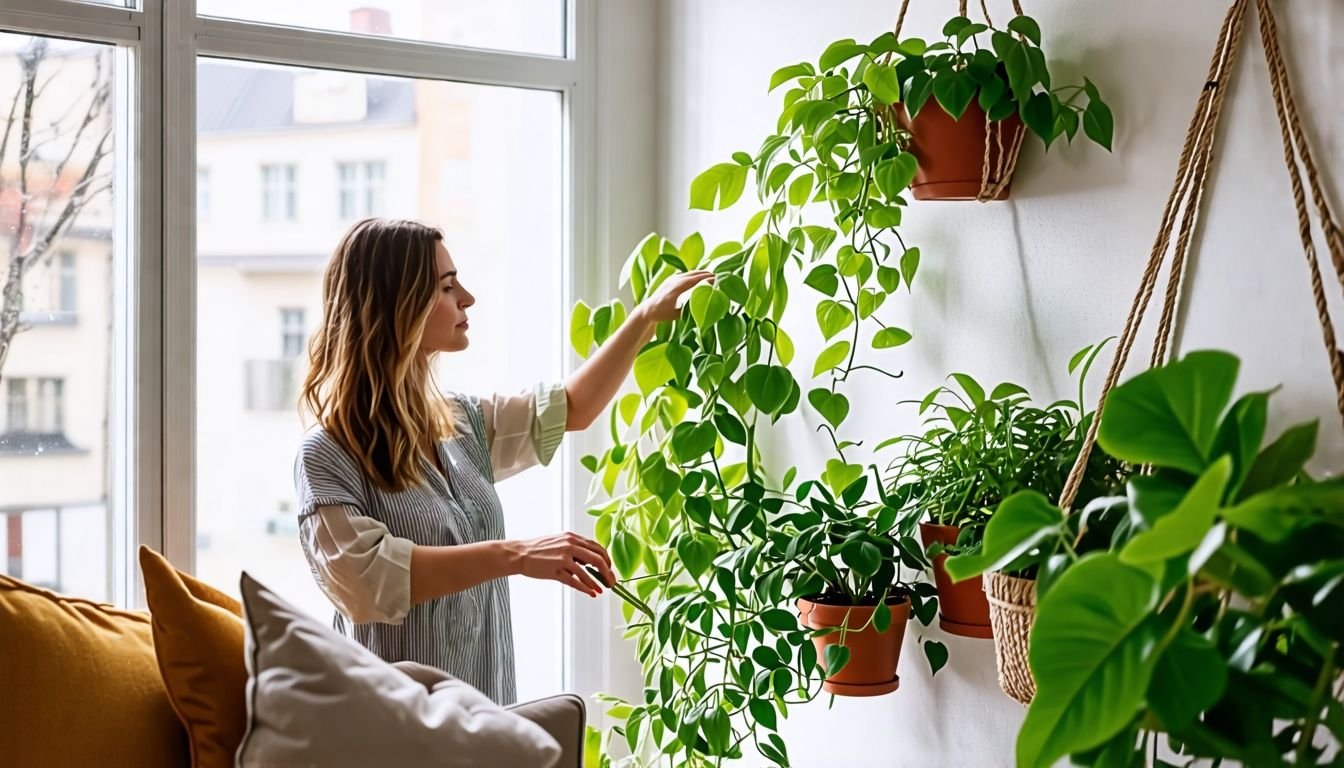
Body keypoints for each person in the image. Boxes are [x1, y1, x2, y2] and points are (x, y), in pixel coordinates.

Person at [293, 217, 710, 705]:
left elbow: (570, 409)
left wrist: (645, 318)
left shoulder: (458, 421)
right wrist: (516, 556)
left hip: (485, 717)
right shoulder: (327, 453)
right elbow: (366, 583)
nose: (467, 298)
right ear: (398, 305)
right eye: (447, 287)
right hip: (392, 732)